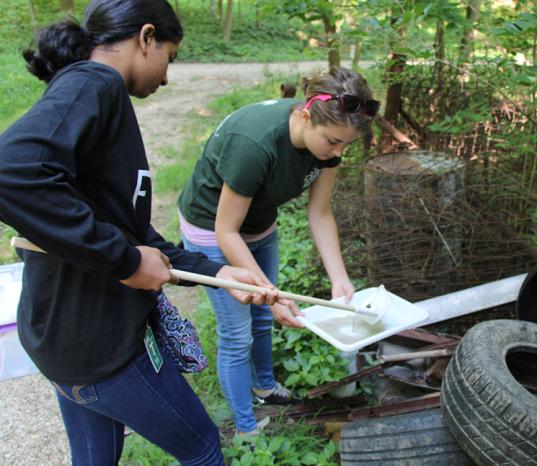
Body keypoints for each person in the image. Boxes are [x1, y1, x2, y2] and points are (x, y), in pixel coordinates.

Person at [0, 1, 279, 464]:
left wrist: (221, 272)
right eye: (169, 58)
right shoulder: (96, 82)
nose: (167, 77)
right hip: (101, 348)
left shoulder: (95, 94)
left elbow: (131, 232)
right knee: (205, 448)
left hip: (64, 343)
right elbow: (12, 171)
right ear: (146, 37)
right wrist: (125, 262)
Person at [177, 67, 380, 436]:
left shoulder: (328, 140)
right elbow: (226, 230)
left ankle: (265, 388)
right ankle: (246, 428)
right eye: (332, 142)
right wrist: (269, 295)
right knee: (237, 335)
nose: (336, 153)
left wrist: (340, 278)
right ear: (306, 116)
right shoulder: (255, 145)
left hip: (259, 225)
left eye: (344, 146)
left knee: (263, 320)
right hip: (212, 230)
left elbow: (319, 212)